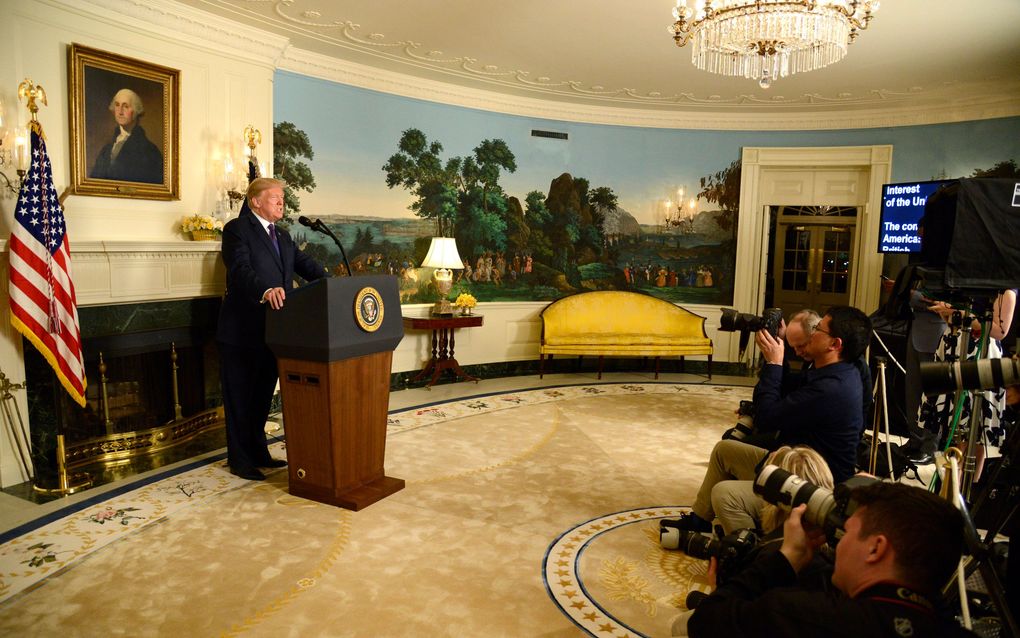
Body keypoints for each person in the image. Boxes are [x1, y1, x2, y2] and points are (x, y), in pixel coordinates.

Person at [674, 306, 871, 533]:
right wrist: (780, 349)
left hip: (812, 486)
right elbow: (789, 386)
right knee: (724, 450)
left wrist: (774, 364)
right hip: (795, 465)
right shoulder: (843, 368)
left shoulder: (831, 389)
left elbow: (766, 417)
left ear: (834, 344)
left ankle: (752, 551)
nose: (813, 331)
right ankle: (699, 521)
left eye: (818, 329)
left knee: (725, 494)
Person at [688, 482, 975, 637]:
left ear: (876, 549)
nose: (839, 542)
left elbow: (705, 622)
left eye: (847, 531)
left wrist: (785, 558)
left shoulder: (796, 616)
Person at [216, 177, 328, 480]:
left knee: (261, 396)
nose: (282, 202)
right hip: (241, 330)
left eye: (282, 198)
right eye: (275, 197)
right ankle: (240, 460)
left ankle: (258, 452)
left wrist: (335, 281)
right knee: (240, 397)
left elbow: (305, 266)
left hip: (274, 331)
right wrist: (265, 290)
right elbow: (240, 270)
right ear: (255, 201)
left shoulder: (282, 235)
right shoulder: (237, 230)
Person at [90, 88, 163, 183]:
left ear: (136, 111)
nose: (120, 111)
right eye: (117, 105)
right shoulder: (106, 150)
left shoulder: (150, 152)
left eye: (126, 106)